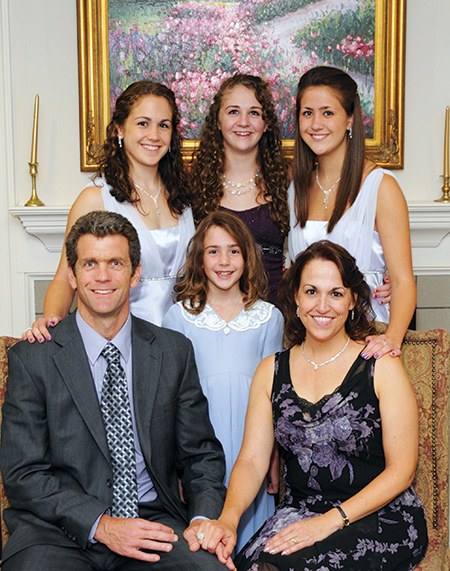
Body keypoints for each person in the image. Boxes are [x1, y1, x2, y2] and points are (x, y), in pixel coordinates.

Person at [0, 210, 228, 571]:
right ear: (72, 275)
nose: (102, 276)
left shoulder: (173, 352)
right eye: (90, 263)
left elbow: (201, 455)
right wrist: (101, 525)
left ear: (135, 273)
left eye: (115, 263)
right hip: (57, 530)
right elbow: (24, 474)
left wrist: (202, 520)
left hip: (152, 521)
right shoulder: (33, 358)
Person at [193, 240, 428, 571]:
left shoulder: (380, 366)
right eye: (311, 291)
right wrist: (229, 519)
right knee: (254, 566)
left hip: (380, 515)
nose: (322, 305)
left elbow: (402, 471)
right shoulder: (270, 371)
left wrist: (331, 521)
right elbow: (250, 460)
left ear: (352, 300)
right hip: (299, 512)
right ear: (296, 298)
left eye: (335, 293)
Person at [23, 80, 194, 342]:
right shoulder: (95, 198)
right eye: (142, 123)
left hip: (184, 340)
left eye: (164, 125)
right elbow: (64, 279)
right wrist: (51, 325)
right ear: (119, 129)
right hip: (120, 339)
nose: (154, 135)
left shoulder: (186, 197)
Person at [162, 211, 284, 551]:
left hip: (251, 441)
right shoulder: (180, 316)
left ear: (246, 257)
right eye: (213, 251)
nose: (224, 261)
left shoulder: (268, 318)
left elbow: (274, 396)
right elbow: (170, 398)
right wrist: (178, 465)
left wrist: (272, 455)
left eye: (233, 251)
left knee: (250, 540)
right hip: (200, 445)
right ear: (200, 259)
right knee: (204, 538)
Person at [288, 66, 415, 360]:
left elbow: (403, 281)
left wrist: (391, 340)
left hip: (367, 337)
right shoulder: (296, 188)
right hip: (306, 339)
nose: (316, 123)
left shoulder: (380, 187)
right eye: (307, 113)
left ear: (349, 119)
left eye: (327, 113)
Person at [189, 74, 290, 305]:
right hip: (211, 316)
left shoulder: (287, 180)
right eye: (233, 111)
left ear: (266, 124)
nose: (243, 122)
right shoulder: (193, 184)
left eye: (254, 112)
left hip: (275, 315)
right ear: (217, 121)